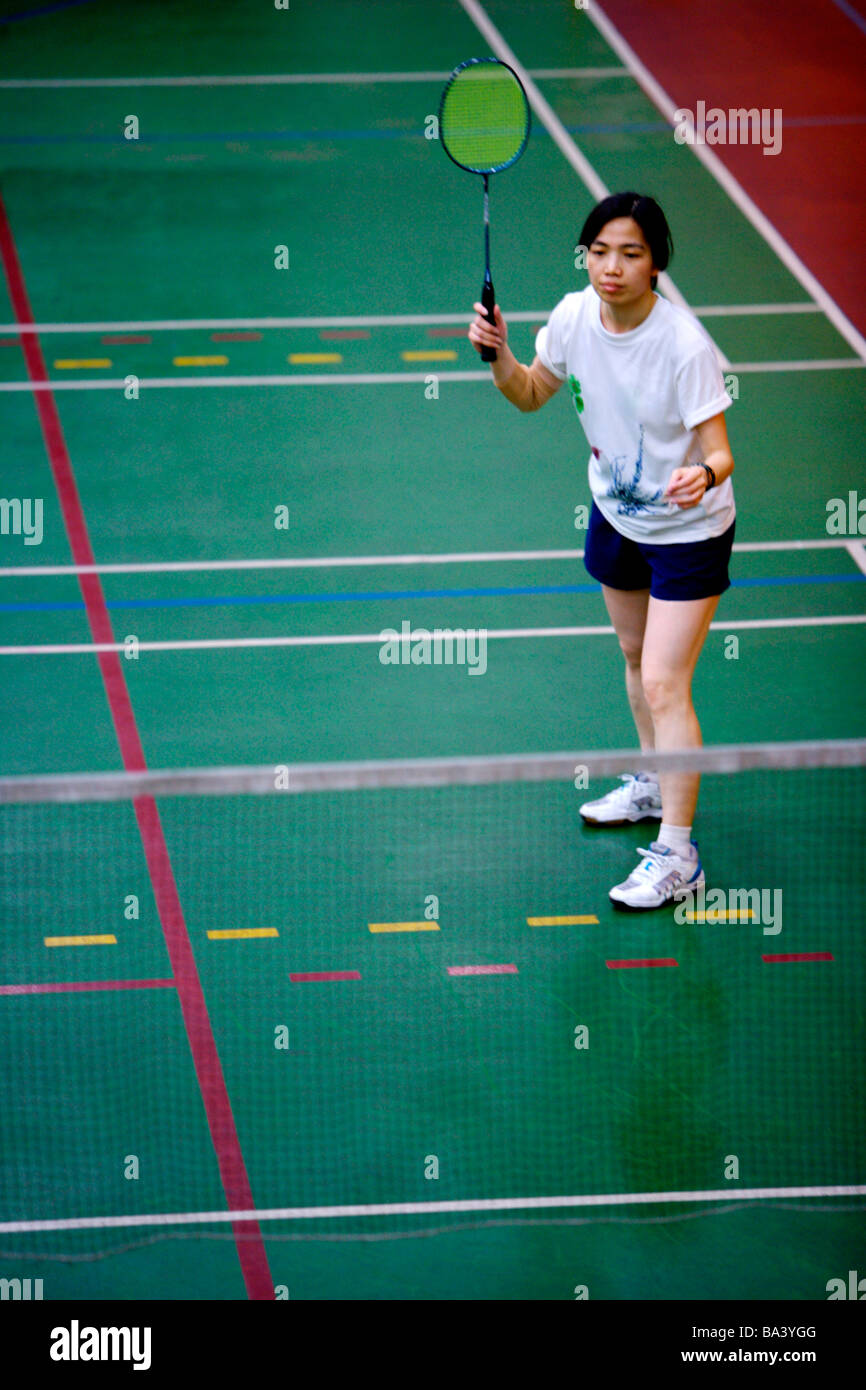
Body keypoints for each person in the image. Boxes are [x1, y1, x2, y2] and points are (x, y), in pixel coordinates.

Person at [468, 191, 735, 910]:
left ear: (656, 264)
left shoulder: (683, 345)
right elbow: (529, 394)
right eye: (599, 250)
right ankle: (653, 783)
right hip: (618, 516)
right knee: (631, 655)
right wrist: (498, 358)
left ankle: (679, 854)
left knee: (663, 681)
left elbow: (721, 452)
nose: (611, 267)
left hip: (688, 529)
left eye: (631, 253)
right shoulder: (573, 316)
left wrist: (701, 476)